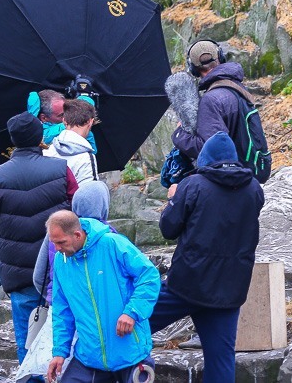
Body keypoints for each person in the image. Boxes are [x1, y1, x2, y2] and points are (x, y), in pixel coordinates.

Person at [150, 132, 263, 383]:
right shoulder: (254, 187)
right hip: (229, 288)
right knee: (221, 358)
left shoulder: (193, 185)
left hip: (187, 285)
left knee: (131, 325)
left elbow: (168, 229)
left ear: (205, 158)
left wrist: (172, 200)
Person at [0, 112, 78, 367]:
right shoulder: (60, 169)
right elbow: (77, 209)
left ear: (13, 139)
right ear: (40, 136)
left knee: (27, 337)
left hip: (18, 270)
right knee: (65, 331)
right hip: (59, 262)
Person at [45, 210, 160, 383]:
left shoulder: (112, 244)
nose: (57, 249)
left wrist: (133, 311)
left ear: (77, 234)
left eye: (61, 242)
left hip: (130, 354)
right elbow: (62, 311)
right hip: (89, 356)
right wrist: (60, 352)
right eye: (53, 243)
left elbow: (149, 276)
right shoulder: (62, 261)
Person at [171, 40, 270, 180]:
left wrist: (179, 135)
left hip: (234, 179)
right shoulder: (235, 86)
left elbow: (210, 149)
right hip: (251, 171)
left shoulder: (211, 100)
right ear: (220, 57)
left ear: (193, 68)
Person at [33, 180, 112, 305]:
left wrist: (53, 298)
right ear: (103, 205)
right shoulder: (109, 235)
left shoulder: (56, 230)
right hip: (98, 307)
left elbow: (39, 277)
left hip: (60, 305)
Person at [46, 99, 99, 183]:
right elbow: (89, 193)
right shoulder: (86, 158)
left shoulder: (47, 152)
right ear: (90, 121)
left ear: (64, 121)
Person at [28, 90, 97, 153]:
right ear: (44, 118)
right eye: (61, 115)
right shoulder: (37, 136)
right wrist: (84, 106)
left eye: (67, 111)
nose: (68, 116)